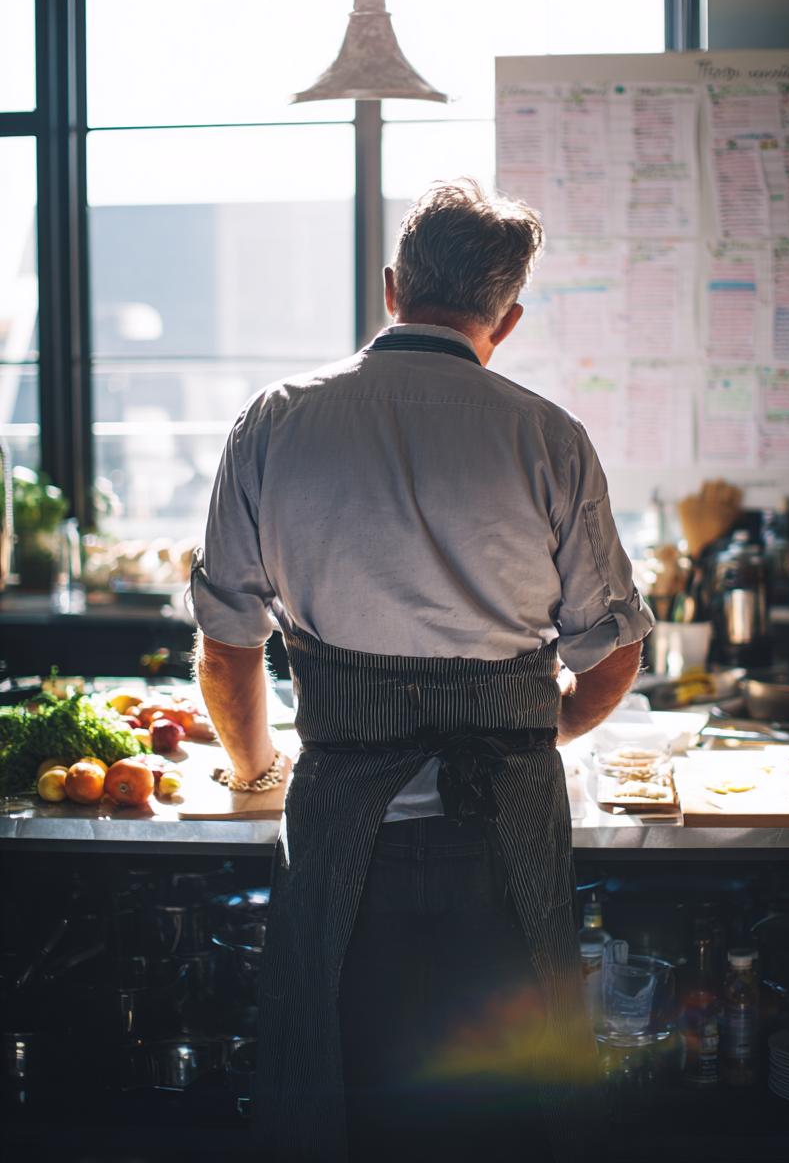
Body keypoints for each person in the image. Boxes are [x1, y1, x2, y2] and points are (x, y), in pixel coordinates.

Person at [191, 179, 653, 1163]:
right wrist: (533, 727)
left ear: (393, 287)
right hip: (506, 831)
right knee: (512, 1109)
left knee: (343, 1095)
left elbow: (228, 651)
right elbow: (613, 655)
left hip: (344, 835)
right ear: (508, 319)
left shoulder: (275, 418)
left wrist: (252, 769)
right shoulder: (549, 436)